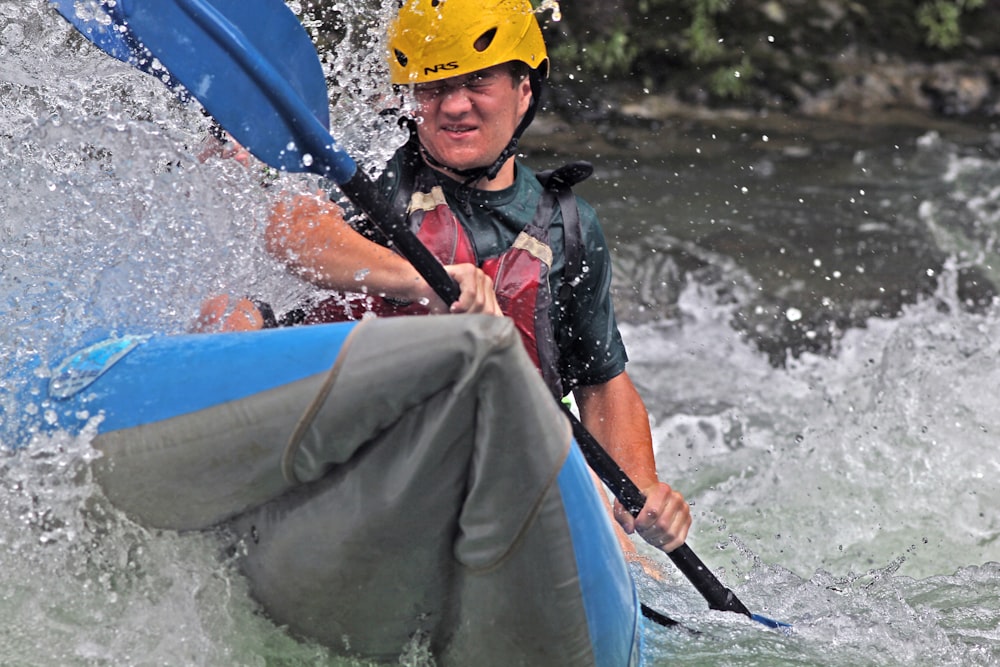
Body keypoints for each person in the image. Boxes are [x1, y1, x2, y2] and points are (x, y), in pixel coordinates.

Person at [204, 0, 691, 558]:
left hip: (488, 467)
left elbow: (603, 382)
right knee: (227, 313)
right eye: (434, 89)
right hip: (346, 437)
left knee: (617, 542)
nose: (454, 106)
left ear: (524, 89)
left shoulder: (566, 227)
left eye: (478, 81)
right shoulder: (377, 165)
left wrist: (643, 490)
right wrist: (419, 280)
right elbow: (291, 229)